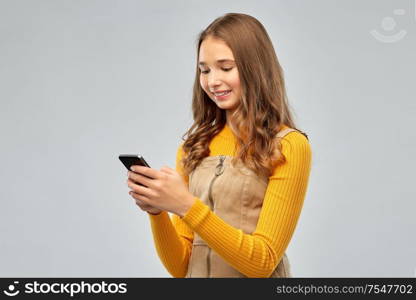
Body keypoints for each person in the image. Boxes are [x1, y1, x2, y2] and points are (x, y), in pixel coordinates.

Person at [126, 13, 312, 278]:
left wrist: (186, 205)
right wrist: (157, 212)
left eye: (226, 68)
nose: (212, 81)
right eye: (204, 70)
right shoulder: (194, 148)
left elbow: (262, 263)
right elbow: (182, 269)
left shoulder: (289, 146)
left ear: (255, 68)